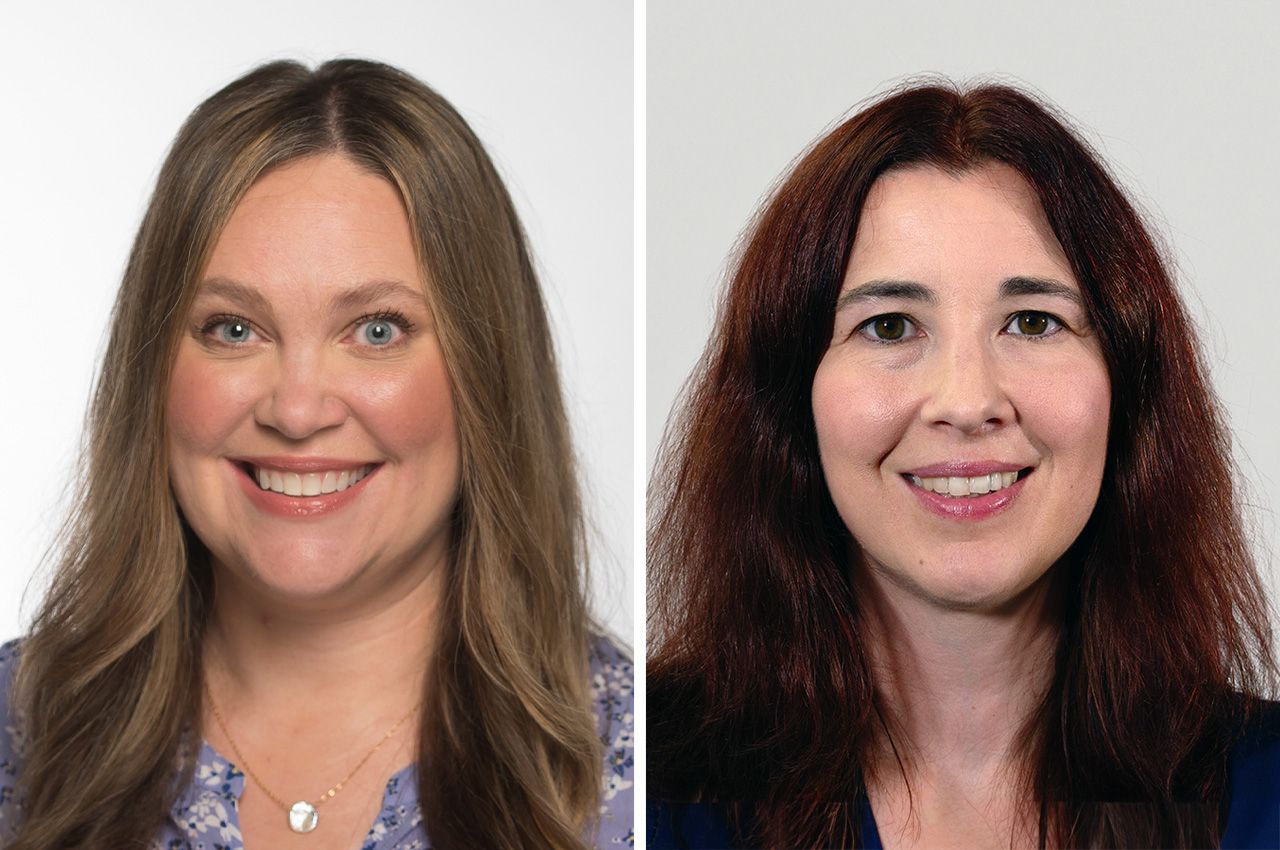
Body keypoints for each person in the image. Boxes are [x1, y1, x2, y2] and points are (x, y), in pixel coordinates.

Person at [0, 59, 632, 850]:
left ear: (488, 373)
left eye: (376, 329)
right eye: (234, 328)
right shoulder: (17, 730)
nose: (297, 411)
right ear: (152, 369)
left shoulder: (642, 766)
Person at [647, 81, 1280, 849]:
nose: (967, 399)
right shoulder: (643, 793)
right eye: (889, 326)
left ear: (1128, 384)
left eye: (1034, 321)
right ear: (790, 400)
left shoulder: (1263, 795)